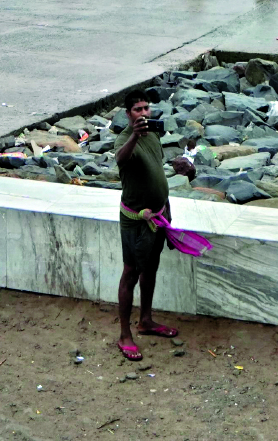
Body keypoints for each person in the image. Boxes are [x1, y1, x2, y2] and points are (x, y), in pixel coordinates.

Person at [115, 94, 179, 360]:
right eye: (137, 109)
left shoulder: (153, 133)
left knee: (151, 268)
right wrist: (134, 136)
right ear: (128, 114)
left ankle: (146, 321)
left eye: (145, 107)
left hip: (159, 215)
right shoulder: (125, 140)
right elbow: (121, 159)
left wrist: (168, 213)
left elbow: (158, 171)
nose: (142, 112)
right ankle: (124, 335)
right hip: (135, 221)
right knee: (131, 272)